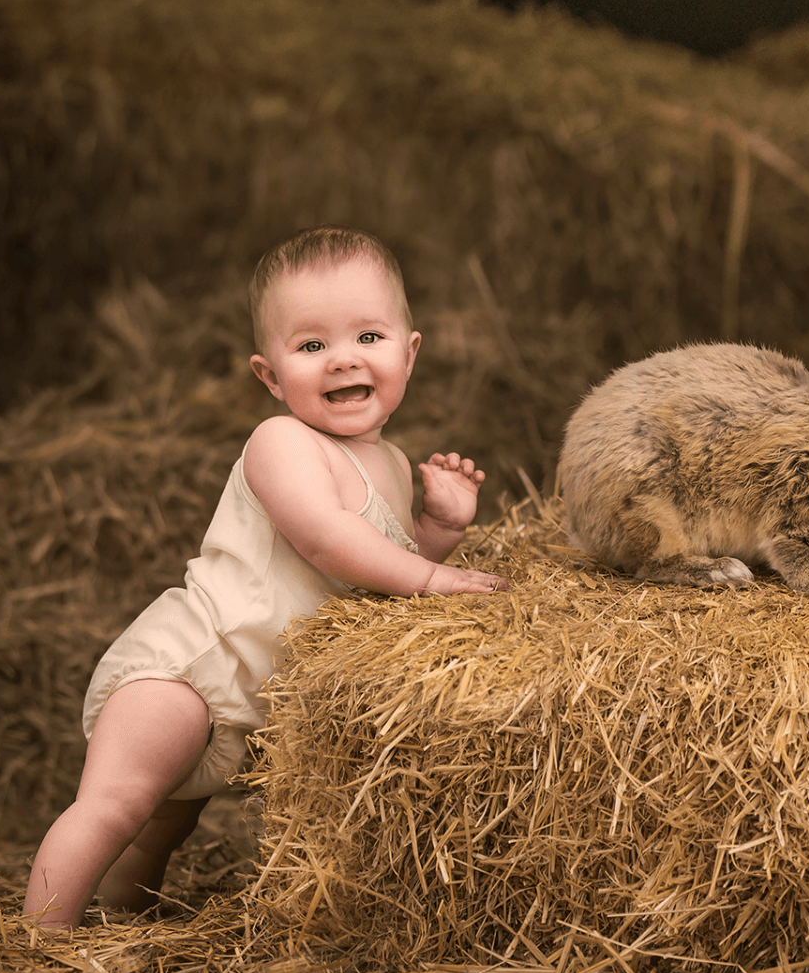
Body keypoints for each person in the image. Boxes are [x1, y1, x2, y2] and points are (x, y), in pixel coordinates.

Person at [25, 227, 509, 931]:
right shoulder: (280, 443)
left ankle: (124, 921)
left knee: (164, 827)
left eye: (368, 337)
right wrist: (435, 576)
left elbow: (381, 567)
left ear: (409, 353)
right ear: (271, 376)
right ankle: (37, 943)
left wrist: (441, 526)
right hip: (193, 668)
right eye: (311, 346)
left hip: (254, 704)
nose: (343, 357)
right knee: (116, 808)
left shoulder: (396, 464)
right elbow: (329, 540)